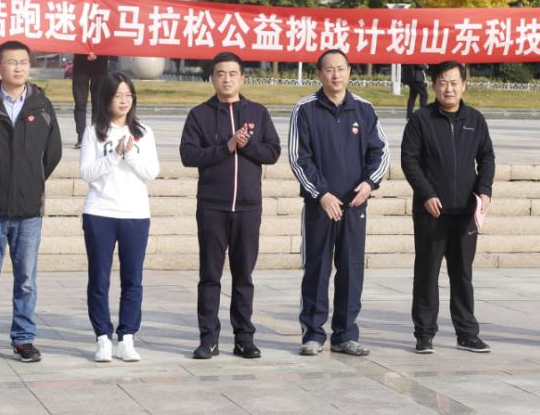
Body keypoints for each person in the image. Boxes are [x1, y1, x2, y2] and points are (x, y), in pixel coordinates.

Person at [0, 40, 62, 365]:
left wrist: (31, 181)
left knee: (27, 281)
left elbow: (53, 154)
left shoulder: (42, 106)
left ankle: (23, 339)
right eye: (11, 62)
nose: (18, 67)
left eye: (23, 62)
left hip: (28, 209)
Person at [180, 52, 281, 360]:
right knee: (210, 275)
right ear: (212, 78)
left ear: (242, 78)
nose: (226, 79)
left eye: (232, 74)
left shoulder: (258, 112)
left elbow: (273, 152)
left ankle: (244, 338)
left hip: (248, 208)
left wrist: (247, 146)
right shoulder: (199, 114)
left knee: (243, 276)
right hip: (212, 206)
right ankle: (208, 338)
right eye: (220, 74)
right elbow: (188, 155)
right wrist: (226, 147)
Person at [289, 49, 389, 357]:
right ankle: (313, 333)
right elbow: (298, 157)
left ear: (349, 72)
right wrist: (321, 194)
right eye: (329, 69)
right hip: (320, 206)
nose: (336, 75)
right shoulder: (305, 109)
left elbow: (380, 152)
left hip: (355, 205)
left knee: (351, 269)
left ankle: (345, 334)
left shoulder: (364, 109)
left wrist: (369, 184)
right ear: (319, 74)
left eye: (341, 69)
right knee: (317, 269)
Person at [399, 60, 495, 354]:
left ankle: (467, 333)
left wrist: (484, 190)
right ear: (434, 86)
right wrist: (426, 194)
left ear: (464, 85)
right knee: (427, 272)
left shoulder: (475, 119)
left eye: (454, 83)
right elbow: (409, 160)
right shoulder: (421, 119)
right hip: (432, 211)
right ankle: (424, 334)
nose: (449, 89)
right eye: (442, 83)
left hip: (465, 212)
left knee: (462, 274)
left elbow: (487, 158)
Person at [80, 72, 159, 363]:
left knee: (132, 279)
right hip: (99, 212)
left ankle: (127, 337)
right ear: (106, 99)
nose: (124, 101)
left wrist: (130, 155)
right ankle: (102, 337)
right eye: (117, 95)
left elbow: (151, 172)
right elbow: (86, 173)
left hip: (135, 214)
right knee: (99, 278)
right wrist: (114, 155)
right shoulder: (94, 132)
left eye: (128, 95)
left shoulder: (144, 132)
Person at [73, 53, 109, 150]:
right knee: (80, 105)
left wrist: (98, 53)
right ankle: (81, 138)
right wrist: (86, 53)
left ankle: (95, 136)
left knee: (98, 105)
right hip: (81, 62)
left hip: (100, 63)